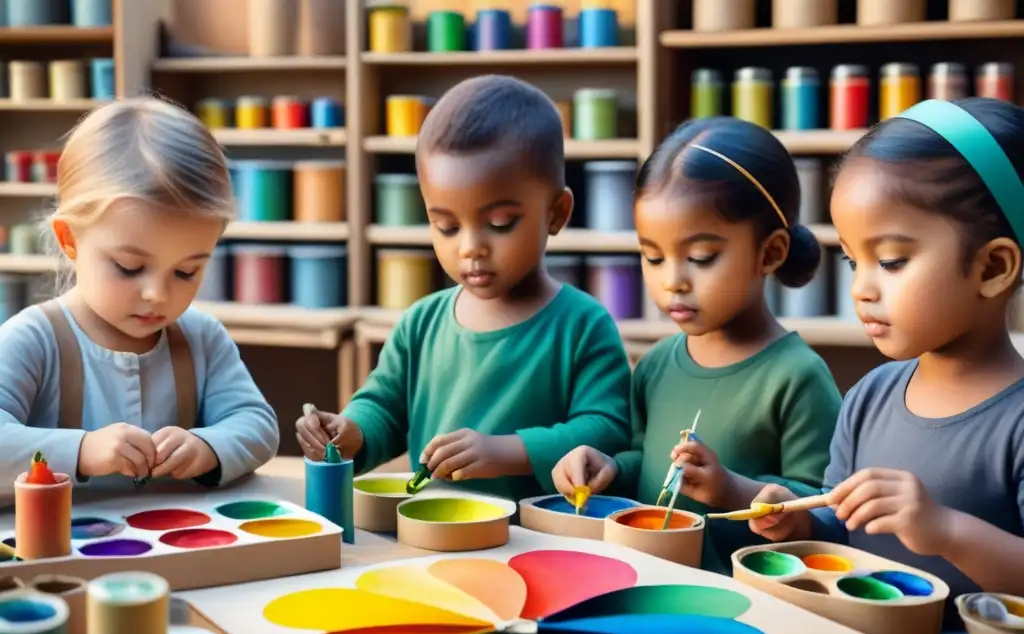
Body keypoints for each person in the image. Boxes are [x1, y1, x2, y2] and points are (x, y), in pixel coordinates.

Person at [750, 98, 1024, 621]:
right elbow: (843, 525)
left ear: (992, 267)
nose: (861, 289)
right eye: (854, 260)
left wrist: (944, 530)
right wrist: (800, 523)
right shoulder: (870, 396)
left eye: (892, 261)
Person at [295, 75, 631, 500]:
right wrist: (350, 432)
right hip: (435, 535)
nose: (471, 248)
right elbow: (384, 408)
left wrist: (506, 452)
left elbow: (608, 430)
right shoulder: (421, 322)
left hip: (538, 539)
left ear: (556, 213)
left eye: (500, 224)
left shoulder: (584, 325)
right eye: (447, 226)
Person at [551, 117, 842, 572]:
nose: (673, 282)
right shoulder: (654, 366)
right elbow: (650, 469)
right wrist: (609, 469)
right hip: (647, 583)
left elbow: (823, 512)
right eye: (652, 256)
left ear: (770, 253)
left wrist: (731, 489)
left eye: (701, 258)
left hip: (748, 606)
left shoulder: (796, 377)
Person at [0, 97, 280, 504]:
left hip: (178, 548)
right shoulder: (34, 339)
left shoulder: (202, 338)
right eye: (129, 267)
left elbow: (257, 424)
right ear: (70, 240)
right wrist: (82, 451)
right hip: (63, 557)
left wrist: (208, 447)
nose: (158, 294)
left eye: (186, 271)